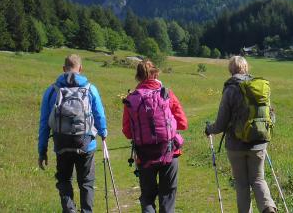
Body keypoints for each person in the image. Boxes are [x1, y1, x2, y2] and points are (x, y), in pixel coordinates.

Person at [205, 56, 277, 213]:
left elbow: (221, 123)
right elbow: (271, 115)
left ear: (231, 69)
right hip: (258, 142)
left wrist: (209, 129)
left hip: (236, 145)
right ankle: (268, 208)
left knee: (242, 183)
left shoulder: (230, 89)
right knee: (258, 179)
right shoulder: (259, 87)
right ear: (246, 68)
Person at [38, 54, 108, 213]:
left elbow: (44, 123)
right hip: (86, 144)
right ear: (81, 69)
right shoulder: (90, 89)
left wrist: (42, 151)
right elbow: (99, 115)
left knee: (64, 180)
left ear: (63, 69)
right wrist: (103, 132)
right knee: (86, 183)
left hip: (61, 143)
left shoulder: (52, 90)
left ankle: (69, 210)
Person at [123, 60, 188, 213]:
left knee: (147, 197)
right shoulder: (166, 93)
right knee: (167, 196)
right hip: (169, 152)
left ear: (138, 77)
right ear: (156, 73)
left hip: (144, 155)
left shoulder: (131, 99)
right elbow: (183, 123)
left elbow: (127, 132)